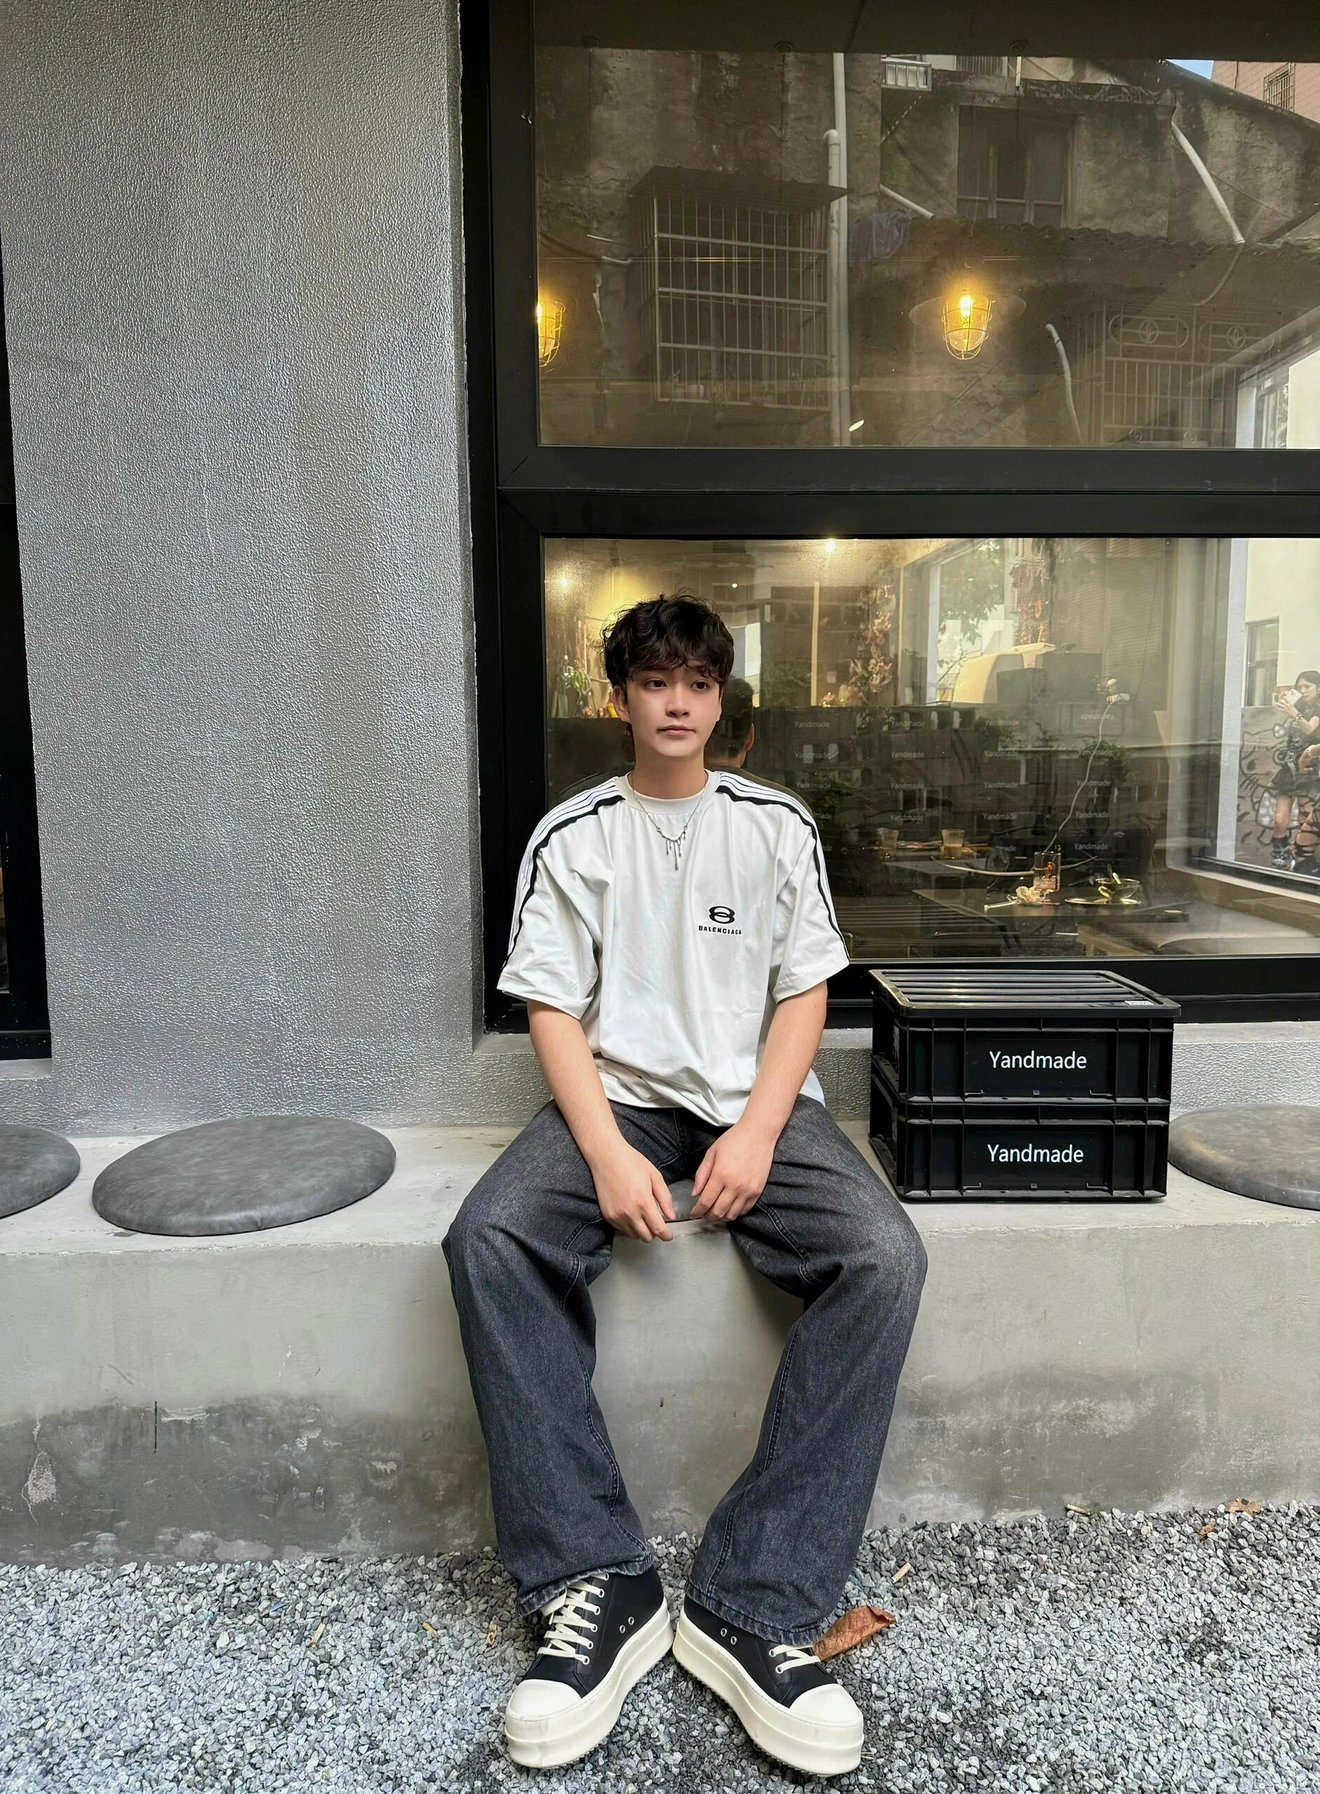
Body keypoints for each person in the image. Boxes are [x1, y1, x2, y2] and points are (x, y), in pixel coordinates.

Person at [443, 594, 927, 1779]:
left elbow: (806, 991)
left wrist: (759, 1132)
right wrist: (607, 1151)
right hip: (618, 1100)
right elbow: (550, 1005)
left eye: (697, 684)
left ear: (722, 702)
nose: (675, 702)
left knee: (883, 1256)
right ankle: (596, 1580)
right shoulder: (575, 835)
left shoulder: (773, 825)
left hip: (753, 1101)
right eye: (654, 682)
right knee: (490, 1236)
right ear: (619, 699)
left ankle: (755, 1601)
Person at [1270, 671, 1320, 870]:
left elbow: (1310, 729)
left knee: (1305, 819)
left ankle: (1303, 859)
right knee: (1279, 820)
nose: (1303, 690)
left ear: (1318, 688)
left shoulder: (1318, 708)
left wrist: (1293, 713)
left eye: (1307, 686)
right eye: (1299, 687)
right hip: (1289, 768)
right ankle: (1280, 851)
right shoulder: (1299, 706)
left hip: (1308, 769)